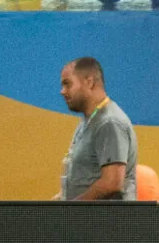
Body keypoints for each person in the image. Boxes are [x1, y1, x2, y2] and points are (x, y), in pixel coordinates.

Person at [57, 57, 137, 201]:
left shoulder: (110, 122)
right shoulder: (89, 120)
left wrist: (71, 209)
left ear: (89, 82)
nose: (62, 91)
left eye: (67, 84)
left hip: (106, 222)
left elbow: (112, 183)